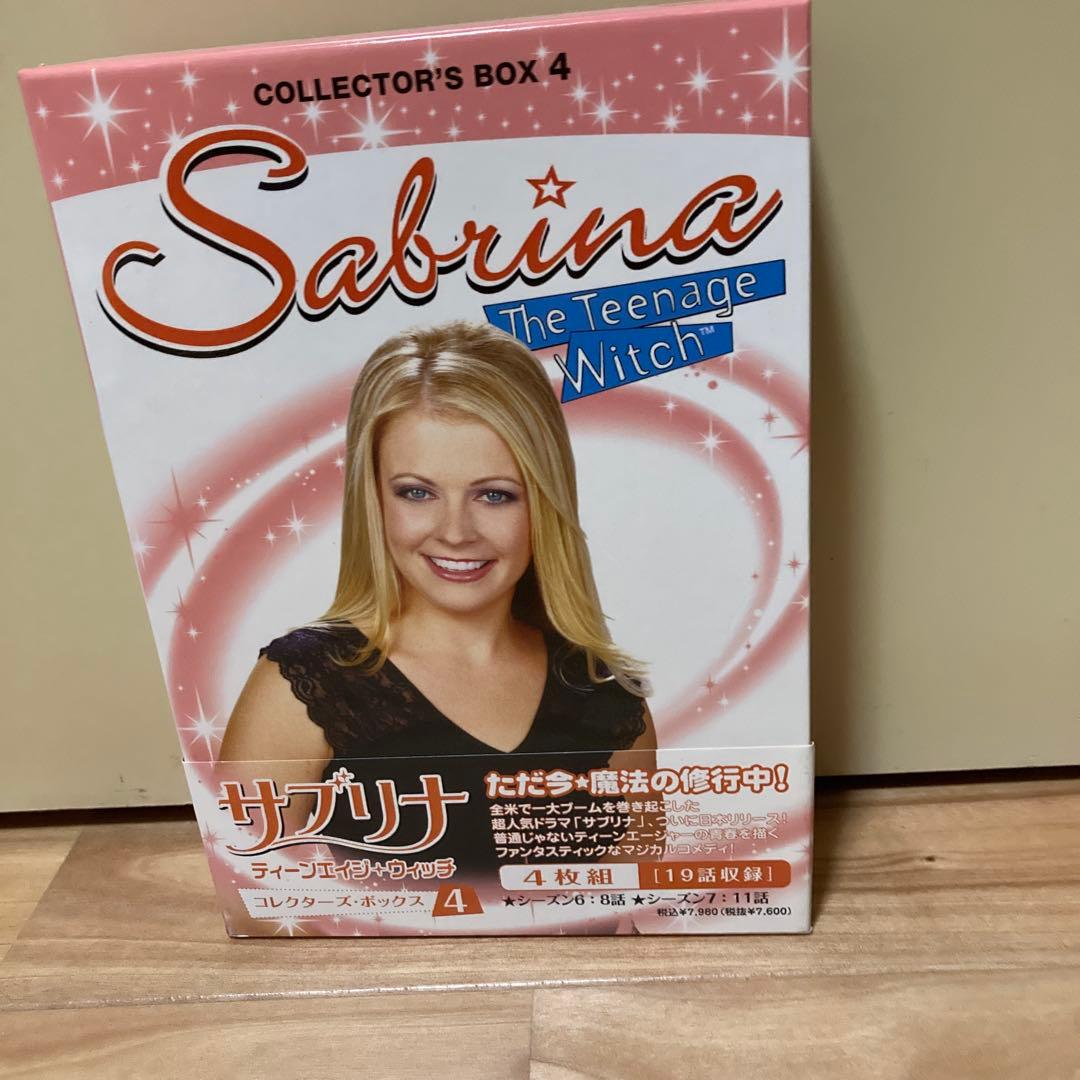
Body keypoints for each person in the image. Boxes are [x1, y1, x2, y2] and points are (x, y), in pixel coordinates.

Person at [221, 321, 659, 878]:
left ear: (545, 502)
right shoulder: (300, 685)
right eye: (417, 492)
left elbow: (635, 901)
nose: (455, 532)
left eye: (495, 495)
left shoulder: (609, 696)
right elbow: (251, 902)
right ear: (373, 499)